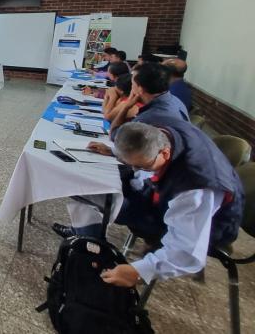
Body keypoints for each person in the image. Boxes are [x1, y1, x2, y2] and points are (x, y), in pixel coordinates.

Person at [57, 120, 243, 288]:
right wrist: (116, 151)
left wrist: (139, 271)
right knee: (88, 189)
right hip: (160, 198)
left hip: (209, 228)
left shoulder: (194, 188)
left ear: (164, 152)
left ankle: (94, 260)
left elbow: (186, 251)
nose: (137, 169)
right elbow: (142, 156)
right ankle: (89, 247)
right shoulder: (165, 132)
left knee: (93, 196)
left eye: (142, 166)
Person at [108, 62, 189, 137]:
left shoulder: (149, 117)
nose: (131, 88)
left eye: (132, 84)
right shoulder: (175, 100)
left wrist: (126, 107)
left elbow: (115, 135)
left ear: (140, 89)